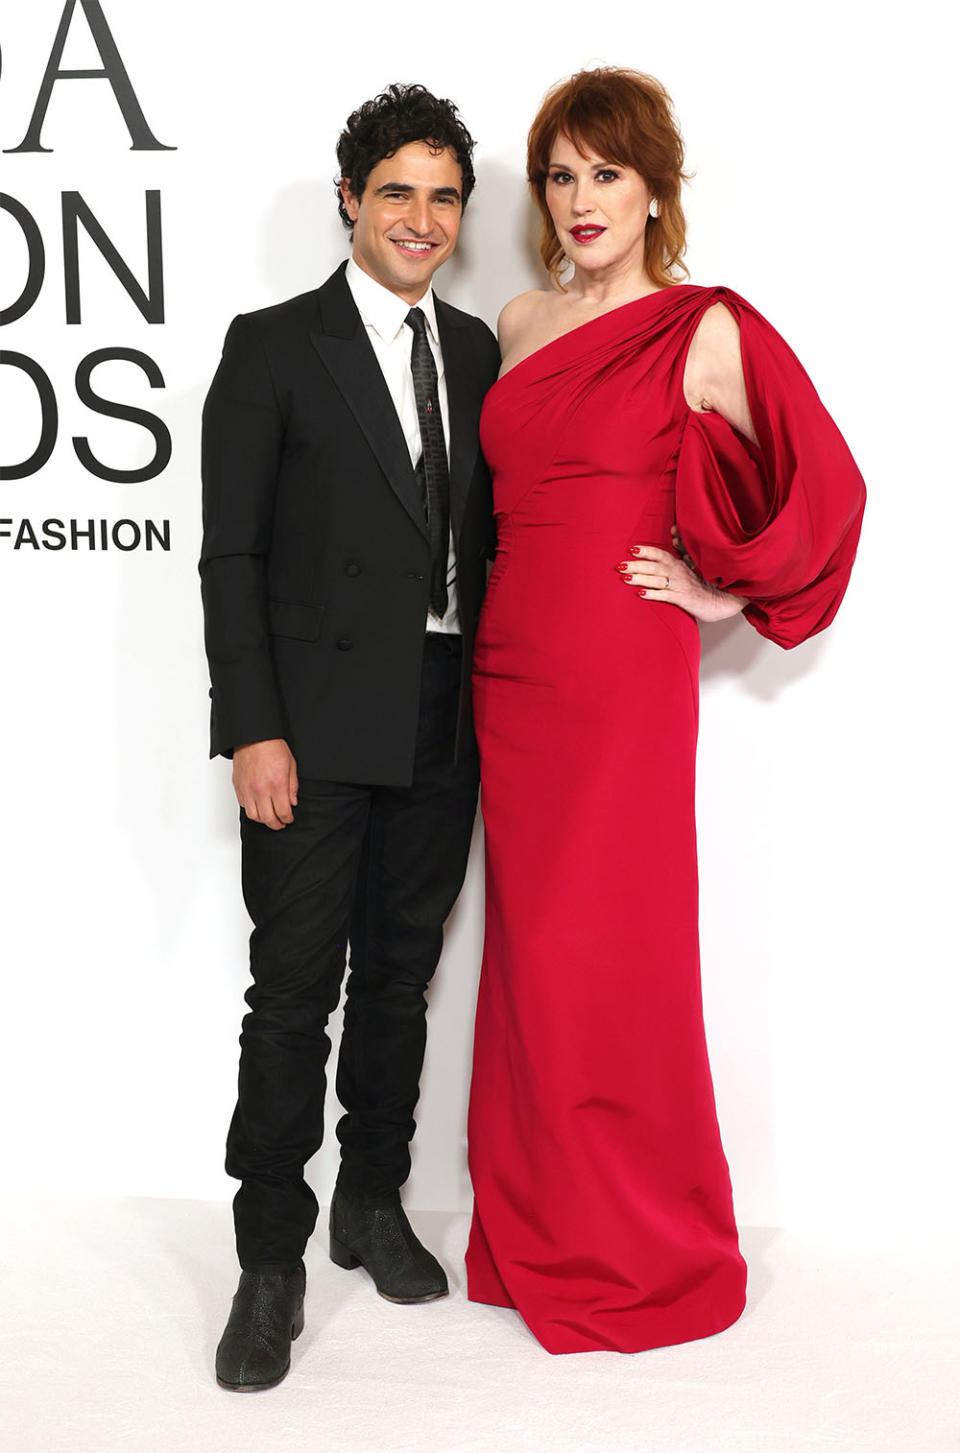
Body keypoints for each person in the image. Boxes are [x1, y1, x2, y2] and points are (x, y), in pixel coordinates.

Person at [465, 67, 866, 1355]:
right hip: (509, 670)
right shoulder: (520, 322)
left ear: (655, 192)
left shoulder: (703, 329)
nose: (583, 200)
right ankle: (533, 1222)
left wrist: (722, 595)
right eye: (562, 176)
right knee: (531, 956)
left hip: (621, 678)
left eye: (608, 175)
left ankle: (639, 1240)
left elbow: (829, 488)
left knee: (611, 954)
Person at [200, 83, 499, 1391]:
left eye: (443, 197)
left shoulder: (481, 351)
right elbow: (231, 557)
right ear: (350, 200)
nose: (421, 219)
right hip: (310, 734)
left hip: (446, 717)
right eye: (398, 193)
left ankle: (369, 1201)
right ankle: (269, 1256)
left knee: (399, 981)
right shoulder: (273, 346)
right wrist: (252, 727)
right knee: (292, 996)